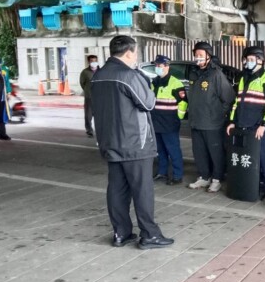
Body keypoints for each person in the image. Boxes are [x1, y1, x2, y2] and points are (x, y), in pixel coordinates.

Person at [91, 35, 172, 249]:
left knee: (117, 190)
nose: (136, 57)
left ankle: (121, 233)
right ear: (128, 53)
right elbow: (148, 103)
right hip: (135, 143)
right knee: (142, 190)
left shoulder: (98, 75)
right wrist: (142, 78)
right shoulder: (128, 75)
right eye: (135, 53)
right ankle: (149, 235)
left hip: (110, 142)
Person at [226, 46, 265, 199]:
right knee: (249, 159)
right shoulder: (244, 78)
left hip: (259, 127)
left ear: (260, 60)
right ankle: (254, 185)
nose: (247, 62)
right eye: (246, 59)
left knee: (264, 158)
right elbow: (238, 102)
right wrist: (232, 121)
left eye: (251, 59)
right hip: (244, 125)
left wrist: (264, 124)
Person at [187, 41, 236, 193]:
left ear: (208, 56)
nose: (198, 58)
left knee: (216, 152)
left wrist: (218, 113)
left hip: (213, 123)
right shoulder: (194, 73)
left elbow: (228, 98)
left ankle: (216, 179)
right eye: (196, 55)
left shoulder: (216, 74)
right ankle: (203, 176)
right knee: (199, 152)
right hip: (196, 121)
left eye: (201, 55)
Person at [150, 55, 187, 185]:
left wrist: (178, 117)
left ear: (167, 66)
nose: (157, 68)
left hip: (169, 122)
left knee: (173, 150)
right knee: (160, 150)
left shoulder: (175, 83)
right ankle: (162, 172)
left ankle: (177, 175)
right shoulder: (154, 82)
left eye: (159, 66)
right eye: (156, 66)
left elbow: (183, 103)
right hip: (156, 122)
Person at [79, 54, 99, 137]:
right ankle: (89, 130)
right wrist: (87, 90)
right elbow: (82, 83)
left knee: (100, 115)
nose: (93, 62)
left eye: (95, 61)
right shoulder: (85, 72)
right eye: (91, 61)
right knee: (88, 115)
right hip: (89, 97)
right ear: (88, 62)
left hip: (100, 97)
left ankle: (100, 130)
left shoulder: (101, 71)